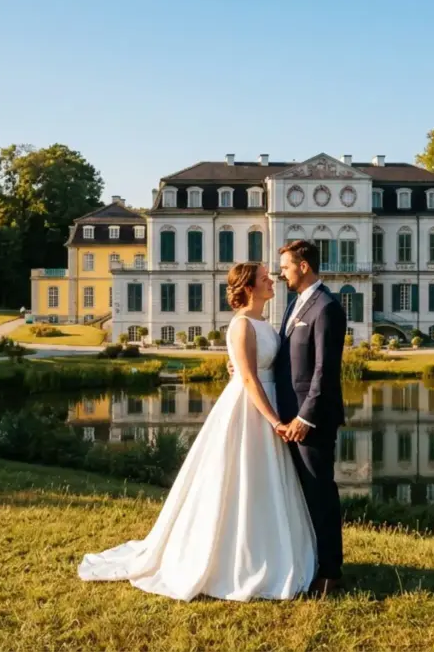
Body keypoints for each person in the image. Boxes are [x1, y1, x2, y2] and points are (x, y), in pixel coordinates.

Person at [76, 262, 316, 601]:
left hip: (267, 398)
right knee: (238, 479)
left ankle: (264, 550)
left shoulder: (264, 323)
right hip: (250, 406)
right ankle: (229, 559)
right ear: (248, 287)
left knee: (262, 481)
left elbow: (258, 365)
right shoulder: (241, 324)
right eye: (264, 279)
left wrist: (241, 369)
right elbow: (247, 378)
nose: (272, 281)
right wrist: (275, 420)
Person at [271, 239, 347, 595]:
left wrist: (305, 418)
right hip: (288, 419)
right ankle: (307, 561)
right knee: (298, 495)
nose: (281, 272)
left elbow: (324, 372)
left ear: (303, 266)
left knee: (321, 495)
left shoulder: (327, 307)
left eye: (286, 266)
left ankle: (331, 572)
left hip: (311, 422)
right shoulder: (295, 304)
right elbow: (285, 358)